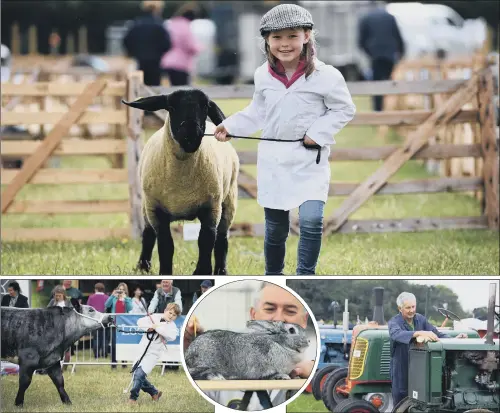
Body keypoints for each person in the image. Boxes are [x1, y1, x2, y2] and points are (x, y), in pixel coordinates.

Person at [214, 4, 356, 275]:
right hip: (274, 161)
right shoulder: (262, 75)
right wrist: (230, 126)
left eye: (292, 35)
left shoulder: (326, 76)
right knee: (276, 228)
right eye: (277, 37)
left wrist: (318, 132)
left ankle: (306, 275)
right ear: (267, 40)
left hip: (309, 161)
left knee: (312, 221)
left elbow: (344, 109)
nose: (285, 43)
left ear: (306, 36)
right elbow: (257, 112)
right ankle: (274, 275)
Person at [184, 281, 315, 410]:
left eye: (290, 311)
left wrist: (314, 375)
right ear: (253, 315)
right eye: (269, 309)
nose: (279, 318)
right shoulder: (254, 345)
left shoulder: (308, 364)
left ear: (304, 320)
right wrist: (187, 342)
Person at [388, 292, 467, 406]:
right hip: (402, 368)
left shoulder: (420, 319)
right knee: (401, 401)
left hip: (419, 367)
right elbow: (397, 334)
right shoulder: (394, 322)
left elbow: (436, 334)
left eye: (413, 307)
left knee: (420, 400)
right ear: (400, 308)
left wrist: (454, 339)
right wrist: (419, 332)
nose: (411, 310)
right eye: (408, 308)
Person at [127, 303, 181, 404]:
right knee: (137, 375)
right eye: (170, 313)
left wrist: (158, 328)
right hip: (142, 351)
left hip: (153, 355)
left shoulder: (172, 327)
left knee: (139, 374)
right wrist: (150, 327)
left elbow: (171, 336)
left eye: (174, 315)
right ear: (165, 310)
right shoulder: (155, 317)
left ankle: (133, 398)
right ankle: (154, 393)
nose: (171, 316)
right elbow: (140, 322)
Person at [357, 1, 405, 111]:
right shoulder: (390, 17)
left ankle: (378, 110)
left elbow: (360, 41)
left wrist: (369, 53)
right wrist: (401, 52)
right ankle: (389, 109)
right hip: (390, 55)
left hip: (375, 56)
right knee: (389, 82)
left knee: (377, 84)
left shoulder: (366, 18)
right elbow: (398, 36)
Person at [123, 0, 172, 86]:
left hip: (140, 61)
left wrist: (133, 52)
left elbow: (126, 41)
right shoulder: (159, 25)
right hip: (155, 63)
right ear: (157, 9)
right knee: (154, 89)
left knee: (140, 89)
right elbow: (167, 44)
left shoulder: (136, 24)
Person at [160, 3, 202, 86]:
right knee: (181, 90)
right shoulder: (185, 26)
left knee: (170, 88)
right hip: (181, 64)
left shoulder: (171, 24)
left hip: (167, 61)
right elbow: (190, 45)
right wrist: (199, 47)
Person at [106, 283, 133, 369]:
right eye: (119, 289)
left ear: (125, 291)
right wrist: (112, 295)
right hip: (115, 324)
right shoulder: (114, 298)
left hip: (124, 324)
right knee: (114, 344)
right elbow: (107, 305)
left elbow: (130, 308)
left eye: (122, 290)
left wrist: (125, 299)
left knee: (123, 344)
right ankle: (113, 364)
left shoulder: (128, 299)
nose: (120, 291)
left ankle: (124, 363)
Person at [47, 285, 74, 370]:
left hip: (66, 327)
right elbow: (47, 311)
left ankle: (65, 366)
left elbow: (72, 313)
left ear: (63, 294)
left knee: (66, 347)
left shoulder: (68, 302)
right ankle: (53, 365)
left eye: (59, 295)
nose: (57, 297)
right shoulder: (52, 302)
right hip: (54, 327)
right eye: (56, 295)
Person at [87, 282, 109, 359]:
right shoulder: (107, 297)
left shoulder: (91, 297)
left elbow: (88, 308)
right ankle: (104, 354)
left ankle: (96, 355)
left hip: (94, 320)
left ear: (96, 289)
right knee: (105, 337)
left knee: (96, 337)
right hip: (104, 319)